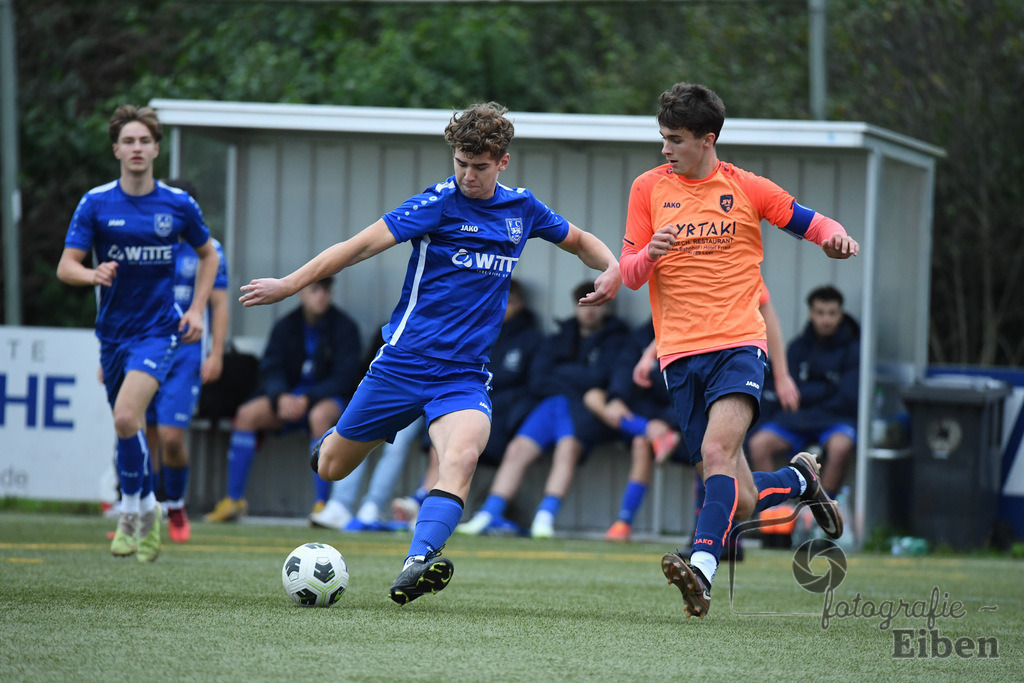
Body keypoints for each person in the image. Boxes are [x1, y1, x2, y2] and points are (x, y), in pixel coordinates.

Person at [238, 102, 621, 604]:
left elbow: (578, 241)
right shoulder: (436, 203)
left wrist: (611, 265)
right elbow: (357, 246)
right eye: (460, 163)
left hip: (463, 376)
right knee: (331, 467)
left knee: (461, 457)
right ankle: (336, 438)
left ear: (502, 162)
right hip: (401, 364)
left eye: (479, 167)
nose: (467, 175)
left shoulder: (522, 209)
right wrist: (289, 284)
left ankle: (417, 562)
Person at [620, 82, 859, 618]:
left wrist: (835, 238)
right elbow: (631, 272)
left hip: (738, 345)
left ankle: (702, 568)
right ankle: (801, 480)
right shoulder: (647, 189)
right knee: (742, 496)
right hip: (679, 355)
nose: (665, 149)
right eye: (662, 138)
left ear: (707, 140)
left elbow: (812, 221)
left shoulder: (748, 188)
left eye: (675, 139)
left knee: (716, 456)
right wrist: (648, 256)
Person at [57, 104, 220, 562]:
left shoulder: (177, 204)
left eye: (144, 141)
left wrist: (197, 309)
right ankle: (144, 506)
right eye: (128, 141)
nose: (136, 148)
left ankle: (136, 512)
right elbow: (66, 265)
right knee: (125, 426)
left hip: (159, 331)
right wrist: (92, 275)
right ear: (116, 149)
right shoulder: (96, 203)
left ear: (156, 149)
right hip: (112, 334)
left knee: (129, 418)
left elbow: (209, 257)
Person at [456, 279, 630, 539]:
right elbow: (538, 379)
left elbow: (602, 378)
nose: (590, 310)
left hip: (585, 413)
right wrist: (582, 381)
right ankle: (487, 514)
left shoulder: (618, 341)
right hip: (552, 405)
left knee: (567, 449)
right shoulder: (559, 337)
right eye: (584, 303)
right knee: (517, 449)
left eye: (597, 303)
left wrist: (567, 376)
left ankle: (544, 517)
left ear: (607, 307)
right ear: (575, 306)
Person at [203, 276, 362, 522]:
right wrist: (281, 397)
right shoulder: (286, 325)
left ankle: (323, 506)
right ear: (301, 293)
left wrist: (308, 398)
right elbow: (270, 367)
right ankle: (233, 500)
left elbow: (345, 377)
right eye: (315, 289)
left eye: (326, 290)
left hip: (323, 401)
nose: (321, 295)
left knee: (320, 417)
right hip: (287, 402)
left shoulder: (345, 328)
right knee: (247, 415)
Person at [391, 278, 544, 528]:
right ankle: (425, 497)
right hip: (467, 401)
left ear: (522, 305)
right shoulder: (477, 330)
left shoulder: (531, 339)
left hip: (503, 416)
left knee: (461, 440)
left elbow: (534, 385)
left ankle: (430, 507)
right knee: (443, 426)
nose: (507, 307)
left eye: (513, 302)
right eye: (504, 301)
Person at [142, 178, 230, 543]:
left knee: (171, 437)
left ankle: (175, 504)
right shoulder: (143, 243)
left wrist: (216, 352)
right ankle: (145, 512)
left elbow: (220, 302)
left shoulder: (209, 249)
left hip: (186, 352)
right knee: (141, 435)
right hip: (143, 347)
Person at [747, 285, 860, 496]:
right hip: (796, 419)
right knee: (758, 444)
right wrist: (826, 388)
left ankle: (821, 510)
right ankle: (777, 511)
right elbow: (787, 392)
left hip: (835, 420)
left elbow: (848, 396)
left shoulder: (854, 350)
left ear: (841, 314)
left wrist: (807, 393)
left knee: (839, 447)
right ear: (811, 313)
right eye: (820, 313)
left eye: (832, 313)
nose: (826, 319)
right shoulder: (798, 347)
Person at [585, 319, 681, 542]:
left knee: (640, 443)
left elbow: (693, 387)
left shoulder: (689, 331)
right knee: (592, 397)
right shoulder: (640, 335)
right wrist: (617, 398)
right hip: (638, 414)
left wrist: (667, 421)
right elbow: (623, 367)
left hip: (676, 417)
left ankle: (623, 522)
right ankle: (650, 432)